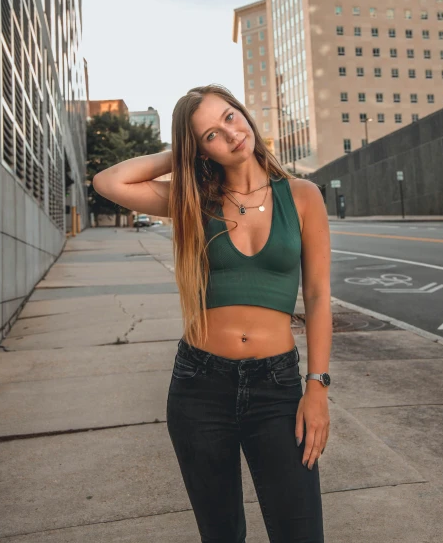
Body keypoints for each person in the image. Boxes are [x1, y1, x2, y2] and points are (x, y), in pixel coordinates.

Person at [93, 84, 332, 542]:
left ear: (242, 112)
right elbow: (108, 183)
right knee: (221, 535)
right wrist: (180, 152)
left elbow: (319, 297)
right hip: (200, 387)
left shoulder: (302, 196)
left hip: (277, 387)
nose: (230, 133)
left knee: (300, 533)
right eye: (210, 136)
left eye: (229, 116)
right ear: (200, 152)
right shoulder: (191, 199)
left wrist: (317, 387)